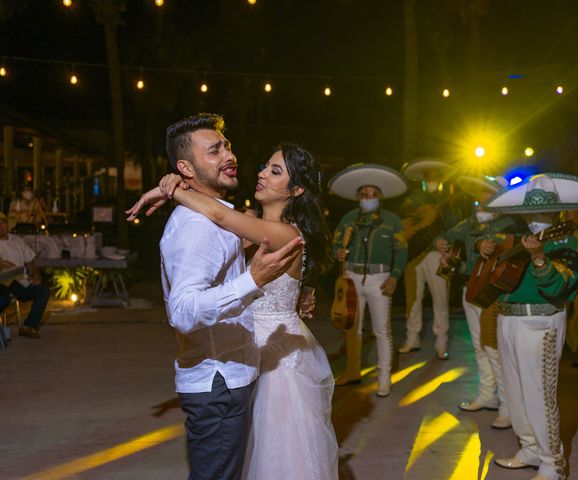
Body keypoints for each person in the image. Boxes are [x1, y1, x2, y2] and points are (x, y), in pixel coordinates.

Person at [128, 129, 338, 479]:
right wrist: (173, 187)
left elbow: (221, 217)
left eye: (275, 172)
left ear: (296, 189)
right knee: (241, 456)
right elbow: (221, 238)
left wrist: (172, 189)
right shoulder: (252, 228)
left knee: (276, 459)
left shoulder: (285, 234)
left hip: (276, 361)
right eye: (264, 167)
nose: (260, 174)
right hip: (244, 354)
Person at [483, 173, 578, 480]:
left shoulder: (567, 240)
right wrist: (482, 250)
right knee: (516, 391)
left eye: (543, 209)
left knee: (539, 394)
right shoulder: (515, 236)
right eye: (532, 209)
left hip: (540, 322)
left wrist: (539, 258)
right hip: (507, 318)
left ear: (556, 210)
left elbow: (558, 286)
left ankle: (553, 462)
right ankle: (529, 448)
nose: (537, 215)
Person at [435, 175, 525, 430]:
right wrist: (441, 246)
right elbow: (446, 237)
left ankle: (508, 407)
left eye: (488, 193)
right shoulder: (468, 223)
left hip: (494, 293)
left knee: (495, 349)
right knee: (479, 347)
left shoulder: (512, 224)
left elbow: (513, 250)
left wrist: (485, 245)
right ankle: (488, 394)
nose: (482, 198)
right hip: (469, 289)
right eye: (479, 193)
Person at [329, 164, 408, 397]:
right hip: (352, 276)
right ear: (358, 196)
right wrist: (338, 253)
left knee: (382, 329)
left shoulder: (392, 220)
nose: (368, 197)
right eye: (364, 194)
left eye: (373, 194)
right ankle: (352, 371)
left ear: (380, 196)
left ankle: (384, 378)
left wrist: (395, 276)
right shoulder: (348, 219)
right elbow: (335, 245)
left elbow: (402, 251)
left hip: (380, 278)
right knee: (352, 327)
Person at [398, 158, 466, 359]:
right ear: (423, 179)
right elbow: (406, 226)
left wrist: (445, 244)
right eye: (429, 178)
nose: (433, 181)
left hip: (439, 256)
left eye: (436, 177)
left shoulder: (449, 201)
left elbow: (456, 227)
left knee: (441, 299)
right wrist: (433, 239)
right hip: (415, 256)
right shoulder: (411, 201)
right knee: (413, 298)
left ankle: (441, 340)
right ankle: (412, 337)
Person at [0, 212, 50, 339]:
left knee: (42, 291)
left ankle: (28, 326)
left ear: (7, 225)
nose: (0, 226)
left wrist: (34, 275)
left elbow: (30, 259)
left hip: (18, 280)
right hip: (1, 283)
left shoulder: (17, 241)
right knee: (3, 299)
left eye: (3, 223)